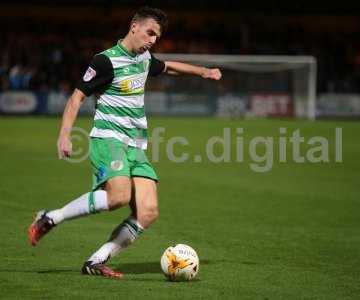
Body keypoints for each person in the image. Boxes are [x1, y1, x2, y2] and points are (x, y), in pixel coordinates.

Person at [28, 6, 221, 279]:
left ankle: (96, 260)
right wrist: (64, 134)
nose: (153, 39)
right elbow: (76, 98)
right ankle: (50, 218)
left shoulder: (144, 58)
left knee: (149, 211)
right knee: (118, 196)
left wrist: (203, 72)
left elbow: (168, 67)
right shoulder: (104, 61)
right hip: (109, 139)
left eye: (157, 36)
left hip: (136, 146)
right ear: (134, 26)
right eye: (150, 32)